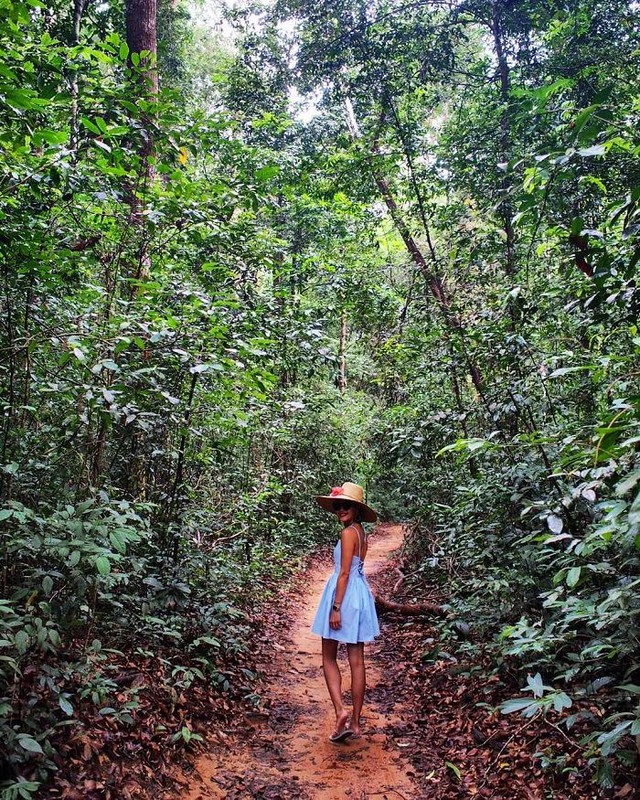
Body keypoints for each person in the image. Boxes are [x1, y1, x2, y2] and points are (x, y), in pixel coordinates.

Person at [311, 481, 380, 743]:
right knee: (357, 660)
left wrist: (336, 607)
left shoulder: (347, 534)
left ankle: (341, 711)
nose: (341, 509)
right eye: (338, 505)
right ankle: (356, 723)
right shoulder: (361, 533)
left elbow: (343, 573)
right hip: (360, 594)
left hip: (345, 594)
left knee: (328, 656)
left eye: (346, 505)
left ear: (356, 508)